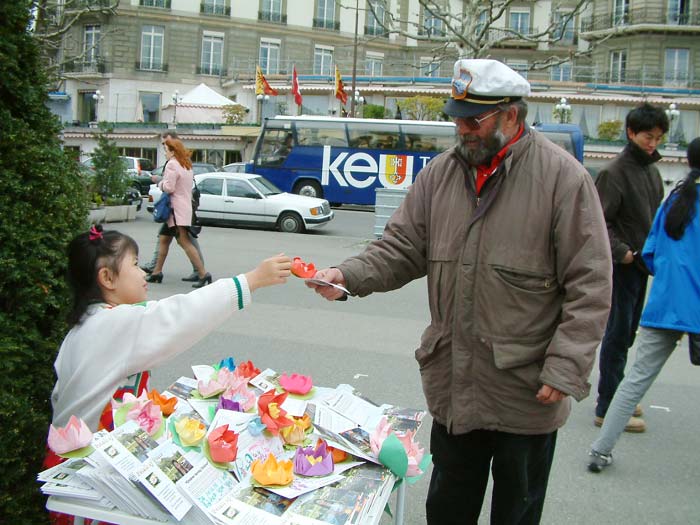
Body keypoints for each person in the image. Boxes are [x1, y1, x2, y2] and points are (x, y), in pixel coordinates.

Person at [307, 59, 612, 524]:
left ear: (512, 114)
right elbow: (401, 247)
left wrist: (567, 365)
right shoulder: (440, 175)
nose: (462, 130)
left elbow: (591, 283)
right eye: (457, 118)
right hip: (456, 385)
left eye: (474, 120)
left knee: (517, 513)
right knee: (448, 509)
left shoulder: (564, 180)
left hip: (527, 390)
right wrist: (347, 275)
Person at [49, 224, 291, 434]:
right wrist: (252, 280)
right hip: (89, 459)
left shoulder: (85, 326)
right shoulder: (114, 324)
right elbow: (182, 314)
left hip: (68, 451)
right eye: (135, 264)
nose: (143, 272)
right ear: (107, 278)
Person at [588, 137, 700, 472]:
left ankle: (600, 451)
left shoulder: (676, 198)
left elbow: (651, 251)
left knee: (635, 378)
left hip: (665, 304)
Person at [593, 103, 670, 433]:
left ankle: (619, 394)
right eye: (647, 136)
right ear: (630, 133)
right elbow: (598, 222)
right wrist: (622, 252)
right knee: (617, 333)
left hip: (641, 265)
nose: (653, 143)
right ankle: (607, 404)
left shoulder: (650, 171)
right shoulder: (614, 172)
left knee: (627, 333)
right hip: (622, 265)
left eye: (658, 137)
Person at [142, 131, 205, 283]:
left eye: (166, 149)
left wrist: (159, 182)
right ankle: (156, 272)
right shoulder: (186, 164)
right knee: (164, 239)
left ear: (172, 150)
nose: (164, 152)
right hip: (182, 208)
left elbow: (169, 187)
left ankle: (203, 274)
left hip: (175, 211)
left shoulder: (172, 164)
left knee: (185, 242)